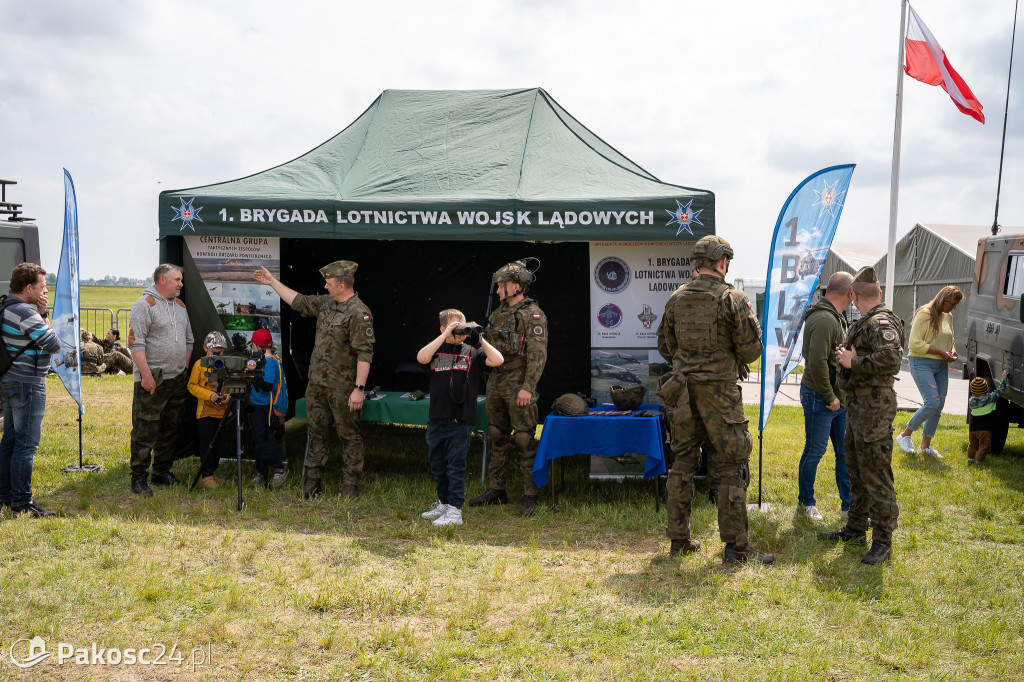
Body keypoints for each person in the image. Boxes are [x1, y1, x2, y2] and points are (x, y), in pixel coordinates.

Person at [656, 235, 773, 564]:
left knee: (682, 464)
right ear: (723, 262)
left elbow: (666, 347)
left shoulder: (676, 298)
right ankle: (736, 547)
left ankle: (679, 540)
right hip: (720, 394)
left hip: (682, 394)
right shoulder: (732, 298)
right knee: (732, 464)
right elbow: (751, 350)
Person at [254, 261, 373, 499]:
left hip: (342, 387)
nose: (325, 287)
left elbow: (365, 353)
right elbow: (299, 300)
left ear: (341, 285)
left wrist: (359, 389)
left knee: (348, 435)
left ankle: (350, 485)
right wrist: (271, 281)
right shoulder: (327, 304)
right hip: (316, 384)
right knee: (316, 432)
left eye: (328, 283)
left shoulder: (359, 312)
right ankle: (313, 481)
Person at [820, 266, 904, 565]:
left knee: (876, 475)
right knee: (856, 469)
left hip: (875, 408)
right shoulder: (865, 321)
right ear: (878, 292)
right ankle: (856, 527)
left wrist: (855, 362)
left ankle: (883, 540)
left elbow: (892, 359)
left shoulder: (881, 321)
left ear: (853, 295)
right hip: (859, 407)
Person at [467, 260, 548, 517]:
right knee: (496, 434)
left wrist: (528, 387)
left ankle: (531, 494)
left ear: (516, 286)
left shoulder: (532, 314)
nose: (498, 290)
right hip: (496, 380)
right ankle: (497, 490)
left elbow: (538, 355)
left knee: (524, 437)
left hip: (518, 381)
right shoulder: (497, 313)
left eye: (502, 286)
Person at [416, 309, 503, 527]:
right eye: (456, 327)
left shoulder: (471, 352)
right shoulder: (437, 349)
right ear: (443, 329)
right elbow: (421, 357)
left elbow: (498, 359)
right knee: (438, 464)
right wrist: (445, 336)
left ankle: (455, 510)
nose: (460, 332)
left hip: (461, 418)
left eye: (462, 326)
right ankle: (444, 503)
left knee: (455, 464)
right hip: (437, 416)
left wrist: (479, 339)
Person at [0, 263, 62, 518]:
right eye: (42, 287)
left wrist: (41, 310)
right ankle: (22, 504)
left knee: (10, 441)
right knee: (26, 445)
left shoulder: (5, 305)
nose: (45, 291)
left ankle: (5, 497)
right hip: (28, 382)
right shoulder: (26, 311)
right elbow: (54, 344)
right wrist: (42, 314)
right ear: (29, 288)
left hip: (9, 379)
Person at [127, 263, 194, 496]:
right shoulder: (144, 306)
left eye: (181, 280)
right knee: (146, 428)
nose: (181, 284)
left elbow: (189, 341)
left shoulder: (181, 306)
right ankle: (138, 477)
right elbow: (136, 343)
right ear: (162, 280)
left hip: (176, 379)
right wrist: (145, 375)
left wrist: (182, 368)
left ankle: (161, 472)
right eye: (177, 280)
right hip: (152, 379)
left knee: (170, 427)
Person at [797, 272, 854, 521]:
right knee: (816, 450)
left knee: (844, 452)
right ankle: (806, 502)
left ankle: (848, 506)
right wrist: (830, 397)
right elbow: (816, 363)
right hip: (821, 397)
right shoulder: (824, 319)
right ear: (850, 294)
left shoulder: (835, 317)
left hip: (836, 397)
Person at [896, 286, 964, 458]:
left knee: (939, 405)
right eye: (953, 304)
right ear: (944, 299)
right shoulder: (924, 314)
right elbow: (914, 344)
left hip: (941, 365)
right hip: (921, 362)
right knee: (932, 403)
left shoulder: (948, 316)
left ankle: (925, 446)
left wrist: (952, 350)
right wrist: (941, 352)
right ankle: (905, 435)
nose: (954, 307)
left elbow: (950, 339)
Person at [187, 331, 231, 489]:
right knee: (207, 444)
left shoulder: (227, 364)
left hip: (223, 412)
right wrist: (209, 395)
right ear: (205, 348)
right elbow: (191, 386)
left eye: (220, 352)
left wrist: (228, 396)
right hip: (205, 413)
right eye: (214, 352)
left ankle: (212, 472)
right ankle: (205, 476)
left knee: (219, 444)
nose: (217, 355)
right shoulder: (199, 365)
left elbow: (230, 385)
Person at [248, 328, 289, 488]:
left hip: (263, 406)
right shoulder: (261, 360)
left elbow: (267, 385)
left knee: (262, 440)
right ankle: (261, 472)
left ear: (256, 345)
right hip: (255, 404)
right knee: (257, 440)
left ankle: (279, 466)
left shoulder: (271, 361)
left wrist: (254, 375)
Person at [967, 370, 1010, 466]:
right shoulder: (990, 398)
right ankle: (979, 463)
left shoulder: (971, 401)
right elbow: (1000, 391)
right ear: (986, 389)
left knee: (972, 445)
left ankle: (970, 460)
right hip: (985, 429)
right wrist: (1003, 378)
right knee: (984, 447)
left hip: (972, 429)